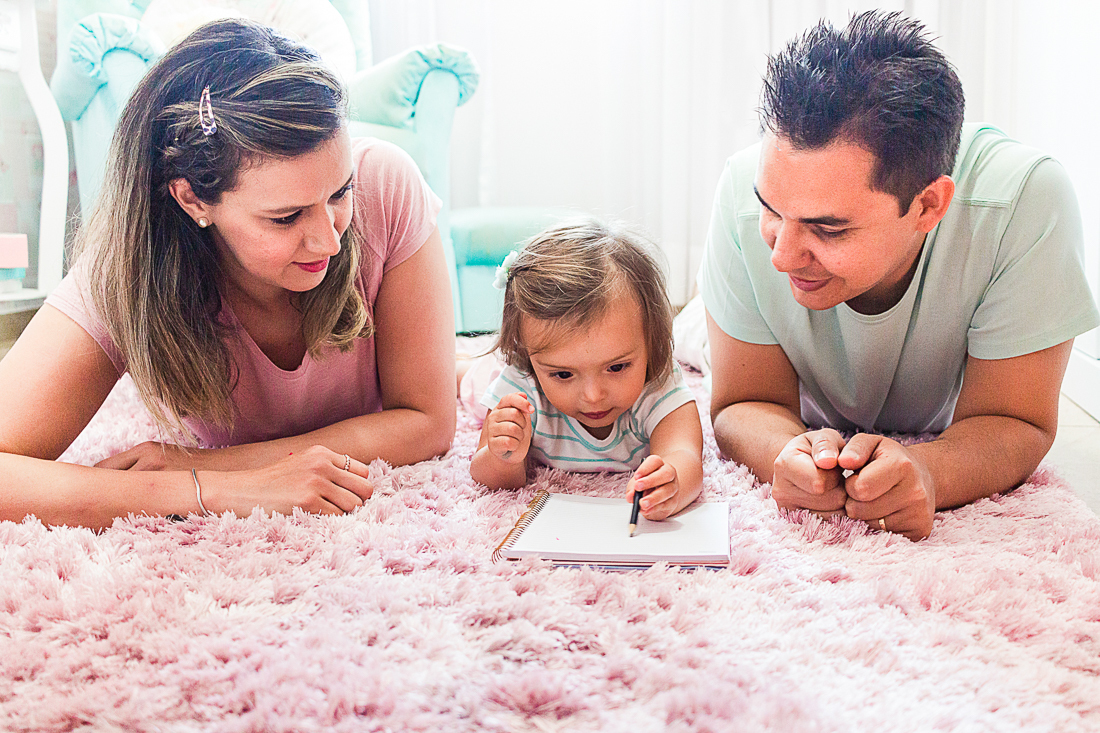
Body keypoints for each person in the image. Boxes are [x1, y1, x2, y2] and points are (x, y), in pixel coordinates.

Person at [0, 19, 456, 529]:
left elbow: (428, 421)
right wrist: (211, 490)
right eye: (286, 217)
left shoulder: (387, 183)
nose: (330, 240)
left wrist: (206, 462)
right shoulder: (130, 268)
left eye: (339, 193)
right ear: (192, 198)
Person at [694, 10, 1100, 541]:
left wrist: (929, 471)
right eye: (772, 211)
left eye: (828, 229)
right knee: (690, 344)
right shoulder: (742, 188)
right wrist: (785, 455)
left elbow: (1017, 420)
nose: (783, 257)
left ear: (929, 206)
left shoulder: (1023, 202)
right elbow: (743, 402)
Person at [467, 220, 704, 522]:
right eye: (563, 374)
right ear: (527, 358)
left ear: (652, 343)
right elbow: (487, 474)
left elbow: (685, 456)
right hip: (487, 376)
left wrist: (673, 482)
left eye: (616, 367)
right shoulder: (520, 387)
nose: (593, 396)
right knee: (474, 384)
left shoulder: (657, 382)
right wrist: (505, 456)